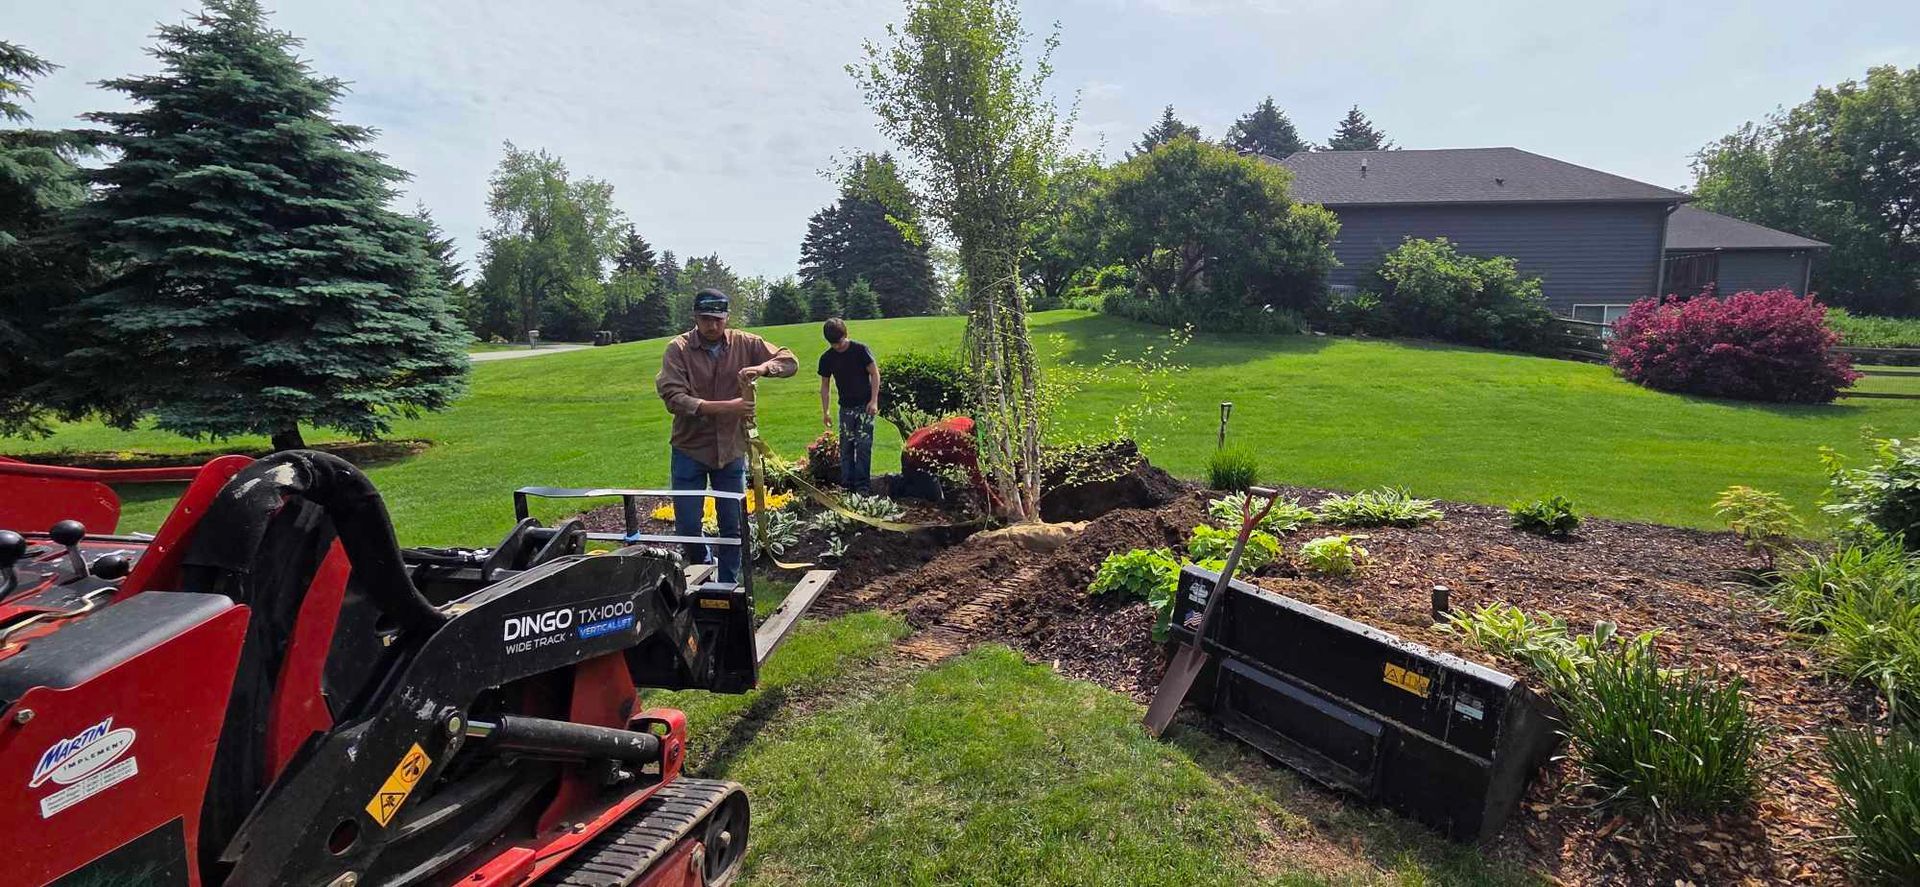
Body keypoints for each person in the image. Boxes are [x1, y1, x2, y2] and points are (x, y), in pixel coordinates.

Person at [655, 289, 796, 582]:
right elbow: (673, 397)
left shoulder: (745, 342)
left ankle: (728, 583)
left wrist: (763, 367)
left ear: (726, 318)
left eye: (718, 319)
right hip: (689, 449)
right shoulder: (678, 349)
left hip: (732, 450)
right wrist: (727, 407)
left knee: (733, 526)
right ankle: (703, 567)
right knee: (687, 526)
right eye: (706, 319)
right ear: (695, 318)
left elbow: (789, 361)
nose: (712, 325)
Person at [817, 317, 879, 492]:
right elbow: (825, 386)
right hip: (846, 409)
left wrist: (874, 401)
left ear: (846, 334)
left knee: (864, 447)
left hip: (865, 407)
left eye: (839, 342)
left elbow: (874, 374)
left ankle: (863, 488)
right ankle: (847, 486)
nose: (837, 346)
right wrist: (826, 411)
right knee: (846, 448)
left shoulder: (860, 350)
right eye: (833, 343)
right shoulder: (827, 358)